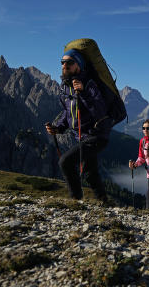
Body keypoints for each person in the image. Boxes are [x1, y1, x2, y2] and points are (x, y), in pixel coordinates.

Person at [45, 49, 111, 203]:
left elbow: (100, 111)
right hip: (82, 137)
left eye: (69, 62)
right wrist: (58, 128)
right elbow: (68, 113)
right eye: (62, 62)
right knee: (90, 173)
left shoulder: (89, 84)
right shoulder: (66, 87)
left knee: (65, 162)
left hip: (97, 135)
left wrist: (84, 93)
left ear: (79, 65)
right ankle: (104, 202)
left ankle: (76, 200)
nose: (65, 65)